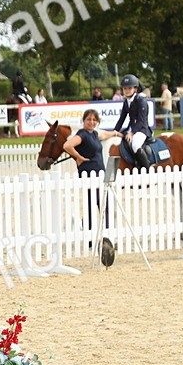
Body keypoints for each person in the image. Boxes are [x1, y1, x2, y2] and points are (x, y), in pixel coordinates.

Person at [63, 109, 121, 261]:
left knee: (103, 204)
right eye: (89, 119)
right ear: (84, 120)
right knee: (93, 205)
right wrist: (79, 157)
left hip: (99, 174)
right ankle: (90, 236)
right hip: (89, 174)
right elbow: (67, 145)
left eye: (94, 120)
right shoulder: (81, 135)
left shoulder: (94, 134)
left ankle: (105, 235)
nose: (92, 122)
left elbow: (104, 135)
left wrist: (115, 133)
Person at [112, 74, 154, 168]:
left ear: (135, 89)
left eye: (129, 88)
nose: (126, 90)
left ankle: (147, 167)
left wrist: (132, 133)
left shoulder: (140, 101)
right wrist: (114, 131)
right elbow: (121, 119)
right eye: (125, 88)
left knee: (135, 145)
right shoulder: (126, 101)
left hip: (142, 129)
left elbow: (141, 121)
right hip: (131, 128)